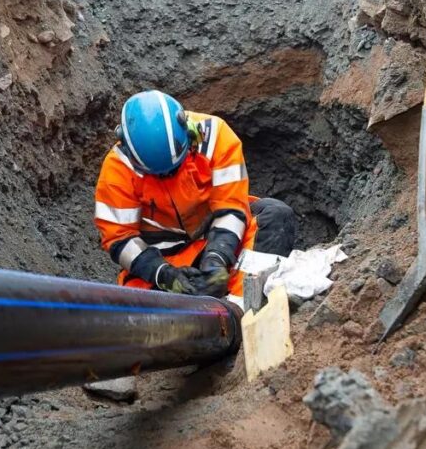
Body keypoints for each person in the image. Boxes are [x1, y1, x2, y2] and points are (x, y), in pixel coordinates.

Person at [93, 90, 296, 303]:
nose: (168, 176)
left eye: (175, 167)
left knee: (275, 217)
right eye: (158, 174)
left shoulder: (216, 137)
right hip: (164, 258)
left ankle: (243, 305)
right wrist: (163, 274)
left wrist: (218, 256)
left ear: (188, 131)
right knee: (138, 306)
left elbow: (231, 207)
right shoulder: (117, 170)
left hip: (218, 237)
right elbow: (120, 238)